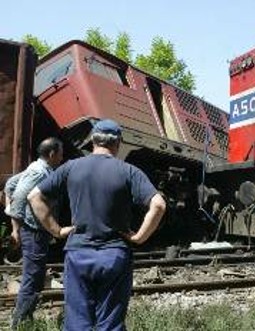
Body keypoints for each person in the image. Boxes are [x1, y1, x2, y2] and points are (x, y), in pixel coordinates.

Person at [28, 119, 166, 331]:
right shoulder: (129, 171)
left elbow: (34, 197)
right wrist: (139, 237)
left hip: (78, 254)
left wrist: (56, 230)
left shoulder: (71, 167)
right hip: (114, 255)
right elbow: (158, 205)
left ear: (93, 140)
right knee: (110, 324)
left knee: (77, 323)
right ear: (118, 143)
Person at [8, 137, 65, 328]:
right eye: (60, 152)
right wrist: (15, 228)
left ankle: (24, 318)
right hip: (33, 232)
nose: (62, 156)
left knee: (35, 277)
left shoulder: (37, 167)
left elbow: (10, 184)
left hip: (35, 231)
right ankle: (20, 323)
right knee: (32, 279)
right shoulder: (39, 172)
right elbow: (17, 194)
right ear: (52, 154)